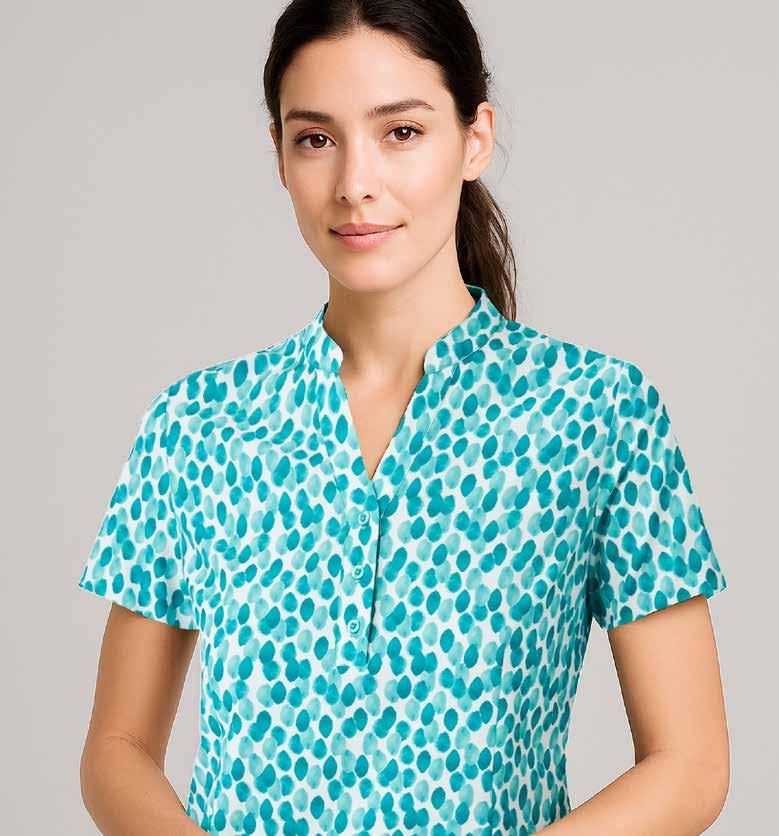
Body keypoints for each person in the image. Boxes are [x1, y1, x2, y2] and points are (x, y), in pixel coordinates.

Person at [77, 2, 729, 834]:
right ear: (278, 154)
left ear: (474, 139)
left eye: (401, 132)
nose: (355, 183)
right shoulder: (197, 426)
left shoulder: (596, 413)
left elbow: (690, 762)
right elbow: (118, 746)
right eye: (316, 138)